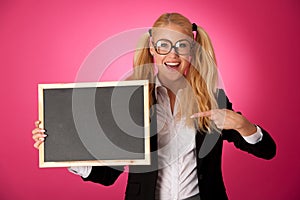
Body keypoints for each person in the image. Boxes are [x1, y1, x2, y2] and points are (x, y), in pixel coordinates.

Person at [32, 13, 276, 200]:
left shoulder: (213, 99)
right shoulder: (130, 102)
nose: (173, 54)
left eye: (182, 45)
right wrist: (61, 149)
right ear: (152, 48)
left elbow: (267, 151)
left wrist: (245, 126)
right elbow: (108, 175)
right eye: (164, 45)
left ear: (192, 50)